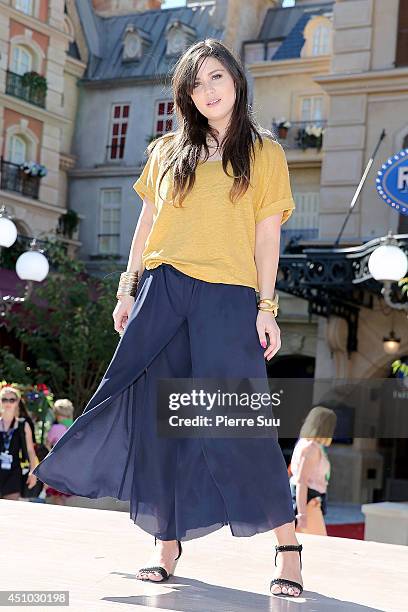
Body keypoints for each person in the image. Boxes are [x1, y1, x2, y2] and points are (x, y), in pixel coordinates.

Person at [33, 39, 304, 598]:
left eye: (216, 78)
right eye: (195, 83)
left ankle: (288, 547)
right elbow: (147, 225)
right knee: (160, 420)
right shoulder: (165, 150)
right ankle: (166, 542)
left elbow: (267, 236)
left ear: (236, 81)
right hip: (162, 290)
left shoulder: (265, 153)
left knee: (238, 420)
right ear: (185, 94)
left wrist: (267, 308)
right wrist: (127, 289)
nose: (208, 91)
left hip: (228, 297)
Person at [289, 406, 337, 536]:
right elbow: (302, 481)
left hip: (308, 501)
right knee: (319, 549)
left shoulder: (306, 443)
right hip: (309, 502)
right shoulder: (311, 448)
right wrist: (302, 514)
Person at [0, 386, 38, 500]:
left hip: (14, 472)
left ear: (17, 402)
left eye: (11, 400)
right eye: (4, 399)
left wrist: (33, 471)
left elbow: (31, 451)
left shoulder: (23, 425)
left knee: (10, 511)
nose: (8, 403)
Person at [44, 399, 74, 505]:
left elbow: (47, 444)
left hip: (57, 464)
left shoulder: (56, 427)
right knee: (63, 495)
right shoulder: (74, 426)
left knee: (56, 495)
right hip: (70, 464)